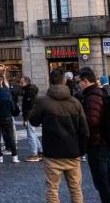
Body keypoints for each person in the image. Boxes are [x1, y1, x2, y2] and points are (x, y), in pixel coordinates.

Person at [29, 69, 88, 203]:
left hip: (52, 152)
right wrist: (82, 150)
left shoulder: (44, 101)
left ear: (50, 81)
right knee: (76, 189)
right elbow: (84, 129)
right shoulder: (75, 102)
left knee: (52, 189)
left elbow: (33, 121)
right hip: (73, 151)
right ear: (64, 81)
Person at [77, 68, 110, 203]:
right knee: (108, 180)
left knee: (102, 182)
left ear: (85, 81)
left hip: (98, 144)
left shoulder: (92, 96)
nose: (78, 85)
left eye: (79, 82)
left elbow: (92, 121)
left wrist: (79, 120)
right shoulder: (99, 93)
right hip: (104, 143)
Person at [0, 79, 20, 164]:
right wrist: (14, 113)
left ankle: (0, 157)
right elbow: (13, 106)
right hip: (7, 118)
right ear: (0, 85)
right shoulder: (6, 93)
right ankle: (14, 156)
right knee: (11, 137)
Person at [20, 76, 42, 162]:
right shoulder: (29, 90)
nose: (20, 84)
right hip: (32, 115)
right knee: (33, 133)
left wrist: (26, 119)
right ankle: (40, 152)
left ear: (27, 82)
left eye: (22, 83)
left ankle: (34, 154)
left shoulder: (29, 92)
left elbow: (29, 107)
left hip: (30, 116)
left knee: (30, 135)